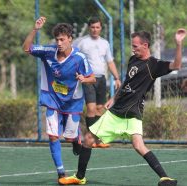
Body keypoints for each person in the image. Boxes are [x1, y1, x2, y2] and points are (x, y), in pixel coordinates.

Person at [59, 28, 186, 185]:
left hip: (132, 112)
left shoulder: (153, 65)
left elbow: (177, 64)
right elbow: (126, 82)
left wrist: (178, 44)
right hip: (116, 111)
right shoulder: (133, 59)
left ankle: (165, 178)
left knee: (139, 145)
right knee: (88, 139)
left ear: (145, 45)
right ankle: (79, 177)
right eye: (132, 46)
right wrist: (113, 97)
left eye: (135, 46)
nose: (133, 49)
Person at [22, 17, 96, 182]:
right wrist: (35, 29)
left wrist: (84, 79)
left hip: (73, 103)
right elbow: (26, 48)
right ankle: (61, 172)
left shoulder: (79, 58)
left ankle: (75, 139)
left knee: (69, 137)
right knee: (53, 136)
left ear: (70, 38)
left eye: (62, 39)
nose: (59, 42)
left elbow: (93, 78)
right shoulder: (48, 51)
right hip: (52, 101)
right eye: (57, 39)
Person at [73, 17, 121, 149]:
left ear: (101, 28)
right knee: (91, 109)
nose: (95, 30)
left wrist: (117, 78)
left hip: (101, 79)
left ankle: (98, 139)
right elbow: (74, 59)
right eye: (93, 27)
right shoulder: (82, 43)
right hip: (88, 79)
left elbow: (110, 61)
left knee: (100, 109)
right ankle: (90, 139)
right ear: (89, 28)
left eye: (97, 27)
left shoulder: (105, 43)